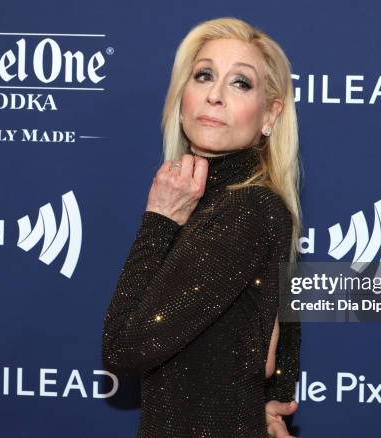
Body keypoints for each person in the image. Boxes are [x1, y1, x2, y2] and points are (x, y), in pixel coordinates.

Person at [102, 17, 303, 437]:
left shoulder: (247, 209)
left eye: (240, 83)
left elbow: (124, 347)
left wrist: (158, 221)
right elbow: (281, 329)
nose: (214, 96)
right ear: (181, 96)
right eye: (204, 75)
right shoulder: (250, 204)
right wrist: (267, 400)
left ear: (270, 114)